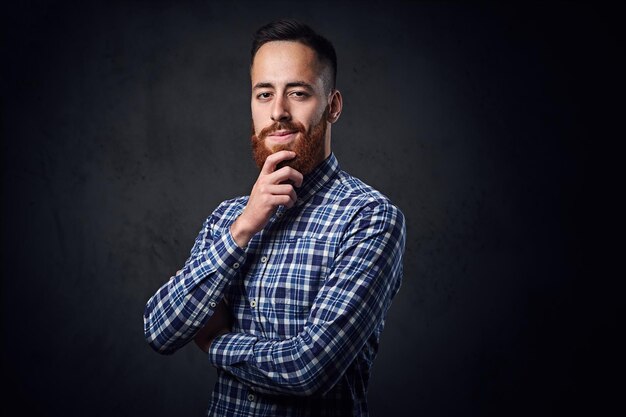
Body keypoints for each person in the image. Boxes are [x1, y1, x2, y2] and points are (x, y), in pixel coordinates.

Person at [143, 19, 406, 417]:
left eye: (297, 93)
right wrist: (244, 228)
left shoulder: (370, 219)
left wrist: (216, 340)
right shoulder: (228, 219)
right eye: (263, 94)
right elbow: (159, 330)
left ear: (332, 106)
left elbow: (310, 368)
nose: (278, 112)